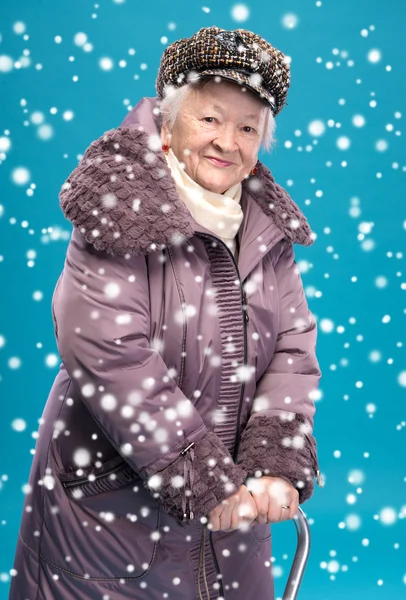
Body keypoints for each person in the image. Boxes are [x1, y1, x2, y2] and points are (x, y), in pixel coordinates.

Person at [9, 25, 323, 600]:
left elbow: (294, 350)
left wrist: (275, 460)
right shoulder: (121, 202)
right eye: (209, 119)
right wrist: (200, 475)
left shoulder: (264, 229)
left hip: (235, 521)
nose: (227, 141)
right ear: (168, 118)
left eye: (247, 127)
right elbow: (108, 352)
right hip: (113, 515)